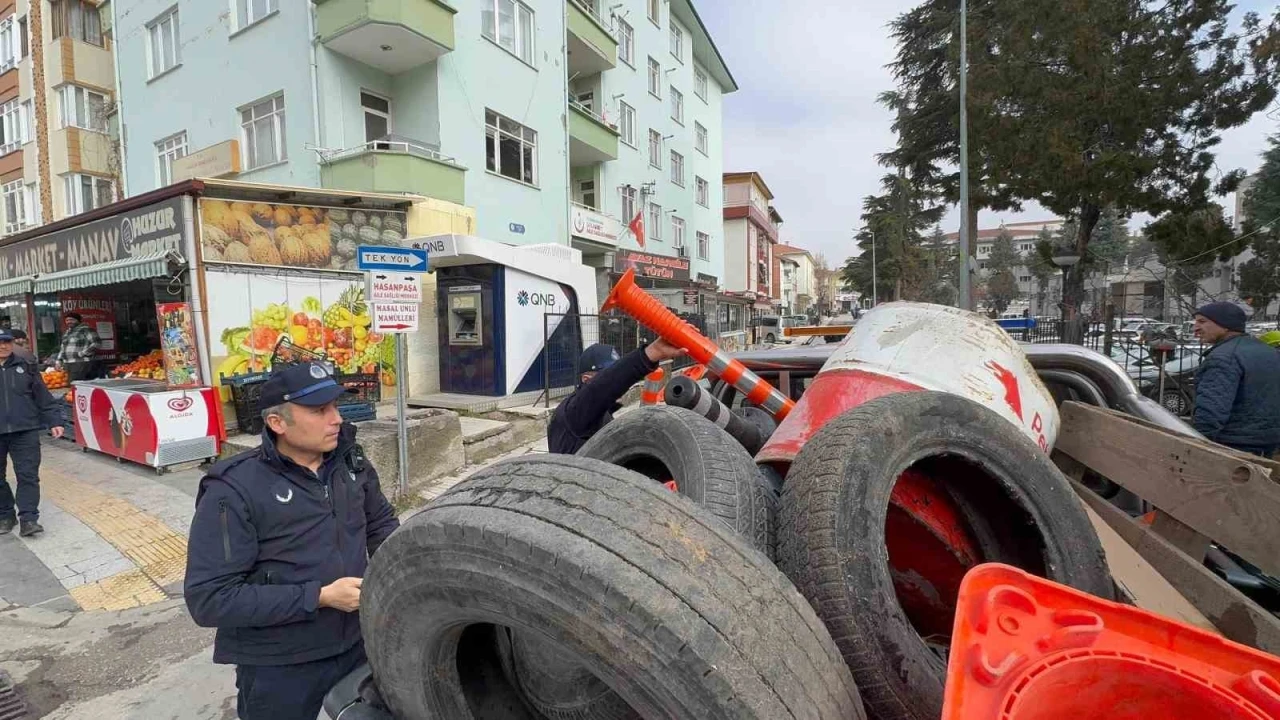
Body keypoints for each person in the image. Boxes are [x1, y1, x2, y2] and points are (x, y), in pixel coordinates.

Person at [184, 362, 400, 720]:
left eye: (335, 406)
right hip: (281, 665)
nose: (336, 419)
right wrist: (319, 596)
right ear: (277, 423)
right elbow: (210, 599)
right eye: (319, 410)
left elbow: (381, 527)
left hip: (359, 645)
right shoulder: (233, 490)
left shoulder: (352, 464)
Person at [548, 338, 686, 455]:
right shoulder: (574, 412)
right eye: (606, 374)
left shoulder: (600, 414)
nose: (620, 384)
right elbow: (604, 386)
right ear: (586, 380)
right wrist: (653, 352)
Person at [1190, 302, 1280, 456]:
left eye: (1202, 322)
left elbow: (1210, 413)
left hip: (1232, 447)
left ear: (1225, 325)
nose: (1195, 328)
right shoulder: (1267, 351)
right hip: (1268, 444)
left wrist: (1194, 447)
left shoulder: (1224, 357)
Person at [0, 330, 63, 536]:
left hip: (25, 431)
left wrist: (54, 420)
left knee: (28, 475)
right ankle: (5, 515)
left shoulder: (25, 366)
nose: (3, 346)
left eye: (6, 342)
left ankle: (28, 519)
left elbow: (42, 396)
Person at [55, 313, 100, 381]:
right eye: (67, 320)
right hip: (67, 363)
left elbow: (97, 343)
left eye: (72, 319)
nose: (69, 321)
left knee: (76, 385)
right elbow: (63, 348)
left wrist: (82, 353)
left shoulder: (86, 329)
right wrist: (58, 361)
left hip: (80, 362)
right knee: (70, 385)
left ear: (78, 320)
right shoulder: (67, 332)